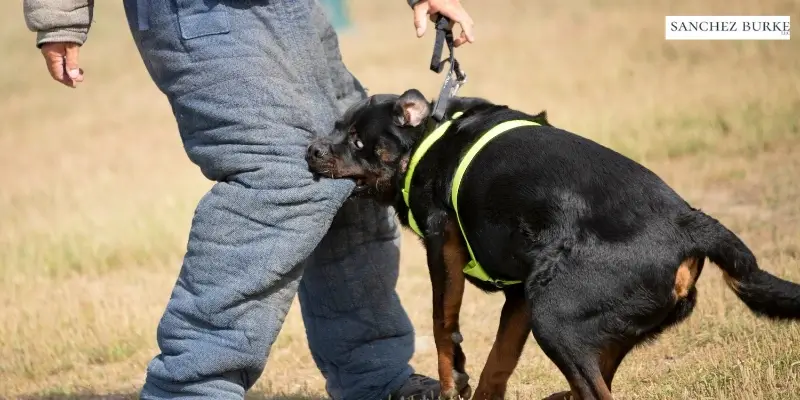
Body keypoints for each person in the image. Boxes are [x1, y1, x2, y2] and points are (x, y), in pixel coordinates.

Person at [23, 0, 475, 399]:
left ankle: (374, 377)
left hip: (289, 11)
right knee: (278, 177)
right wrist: (59, 17)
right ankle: (191, 386)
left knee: (352, 171)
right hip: (197, 13)